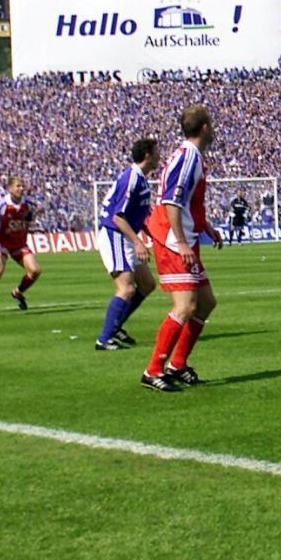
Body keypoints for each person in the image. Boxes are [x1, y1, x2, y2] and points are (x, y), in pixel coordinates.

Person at [140, 106, 224, 392]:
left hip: (183, 236)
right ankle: (152, 371)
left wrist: (206, 226)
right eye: (211, 124)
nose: (213, 129)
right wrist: (183, 242)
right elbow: (171, 203)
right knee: (185, 306)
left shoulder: (191, 157)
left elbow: (187, 202)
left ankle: (177, 364)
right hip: (173, 240)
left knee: (206, 301)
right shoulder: (188, 157)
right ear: (204, 128)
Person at [94, 138, 160, 351]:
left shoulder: (140, 179)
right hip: (115, 235)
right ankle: (104, 339)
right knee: (126, 288)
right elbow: (118, 217)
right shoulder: (131, 178)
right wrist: (138, 242)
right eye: (157, 152)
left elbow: (138, 215)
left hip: (125, 236)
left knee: (147, 284)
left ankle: (116, 326)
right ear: (148, 155)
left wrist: (152, 235)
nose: (160, 156)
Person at [0, 177, 41, 317]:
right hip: (1, 243)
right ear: (10, 188)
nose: (21, 188)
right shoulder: (0, 205)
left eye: (22, 186)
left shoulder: (27, 205)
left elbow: (27, 221)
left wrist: (24, 237)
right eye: (18, 186)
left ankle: (17, 292)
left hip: (18, 243)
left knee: (35, 270)